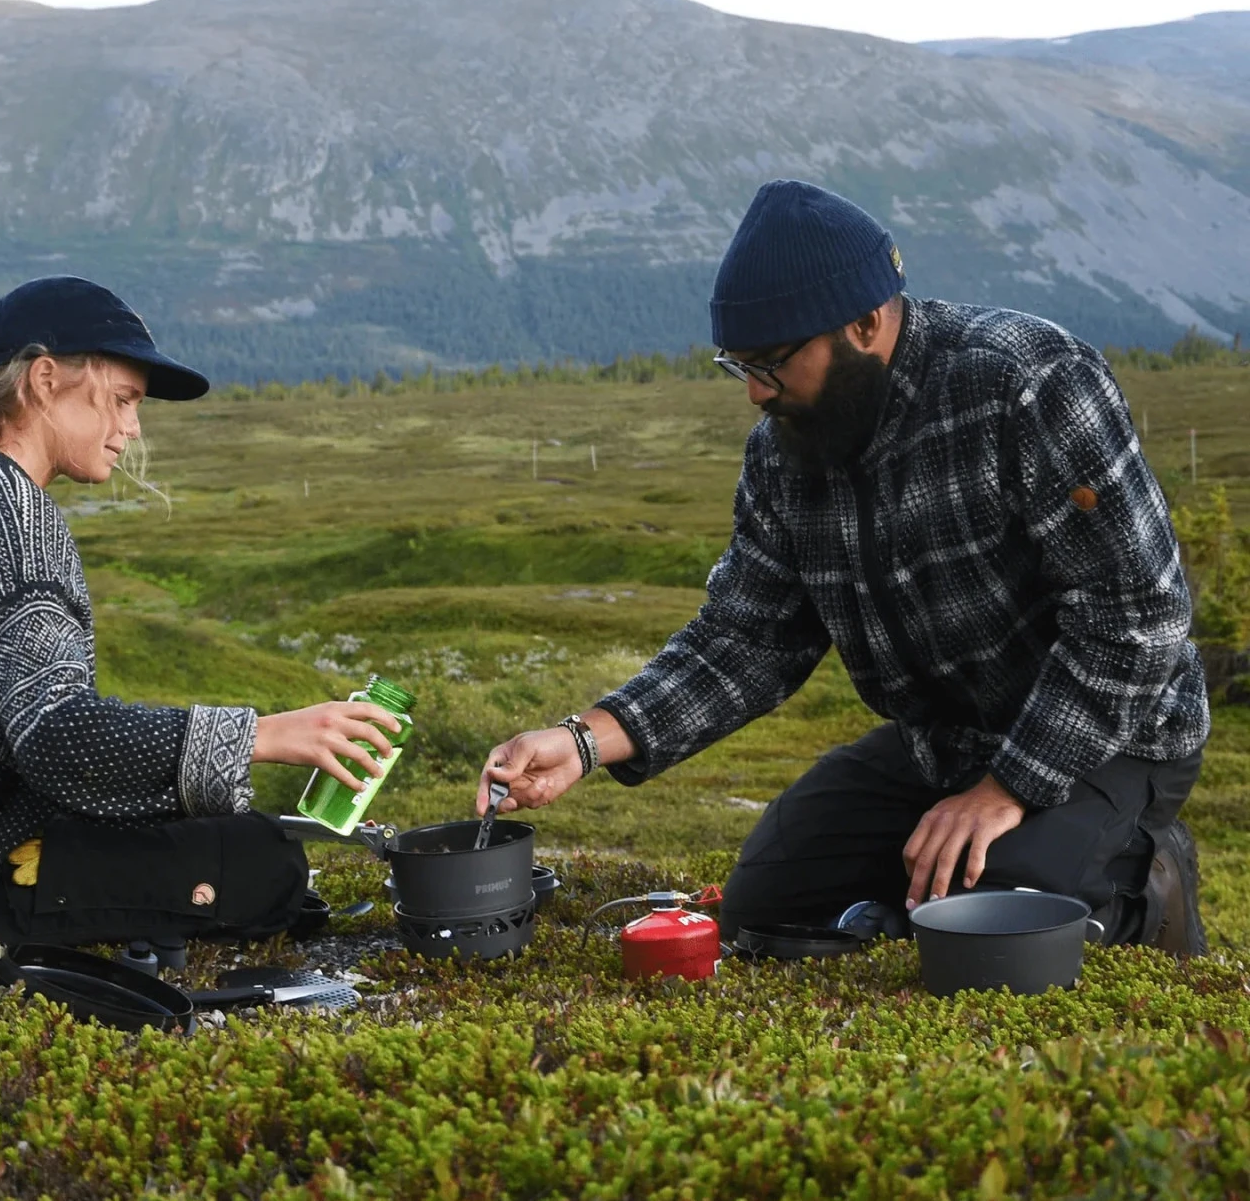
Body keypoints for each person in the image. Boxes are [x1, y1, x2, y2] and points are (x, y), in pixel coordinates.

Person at [479, 181, 1210, 954]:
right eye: (738, 365)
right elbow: (748, 638)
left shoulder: (1028, 382)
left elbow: (1139, 616)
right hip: (943, 744)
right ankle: (930, 897)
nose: (754, 393)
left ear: (865, 323)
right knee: (761, 913)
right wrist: (586, 740)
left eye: (771, 363)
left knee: (991, 929)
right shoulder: (785, 453)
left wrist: (1008, 788)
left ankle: (1145, 887)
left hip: (1116, 731)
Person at [0, 276, 401, 946]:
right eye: (122, 399)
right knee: (264, 862)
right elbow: (55, 733)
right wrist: (262, 735)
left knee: (209, 830)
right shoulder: (12, 520)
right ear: (45, 380)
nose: (132, 428)